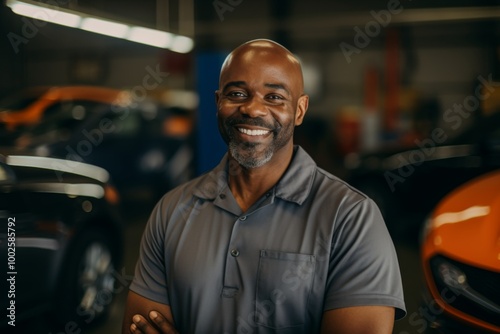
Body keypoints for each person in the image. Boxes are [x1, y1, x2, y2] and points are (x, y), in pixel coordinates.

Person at [122, 39, 406, 334]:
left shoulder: (352, 219)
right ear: (218, 102)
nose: (252, 108)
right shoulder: (171, 211)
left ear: (299, 110)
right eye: (237, 93)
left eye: (274, 97)